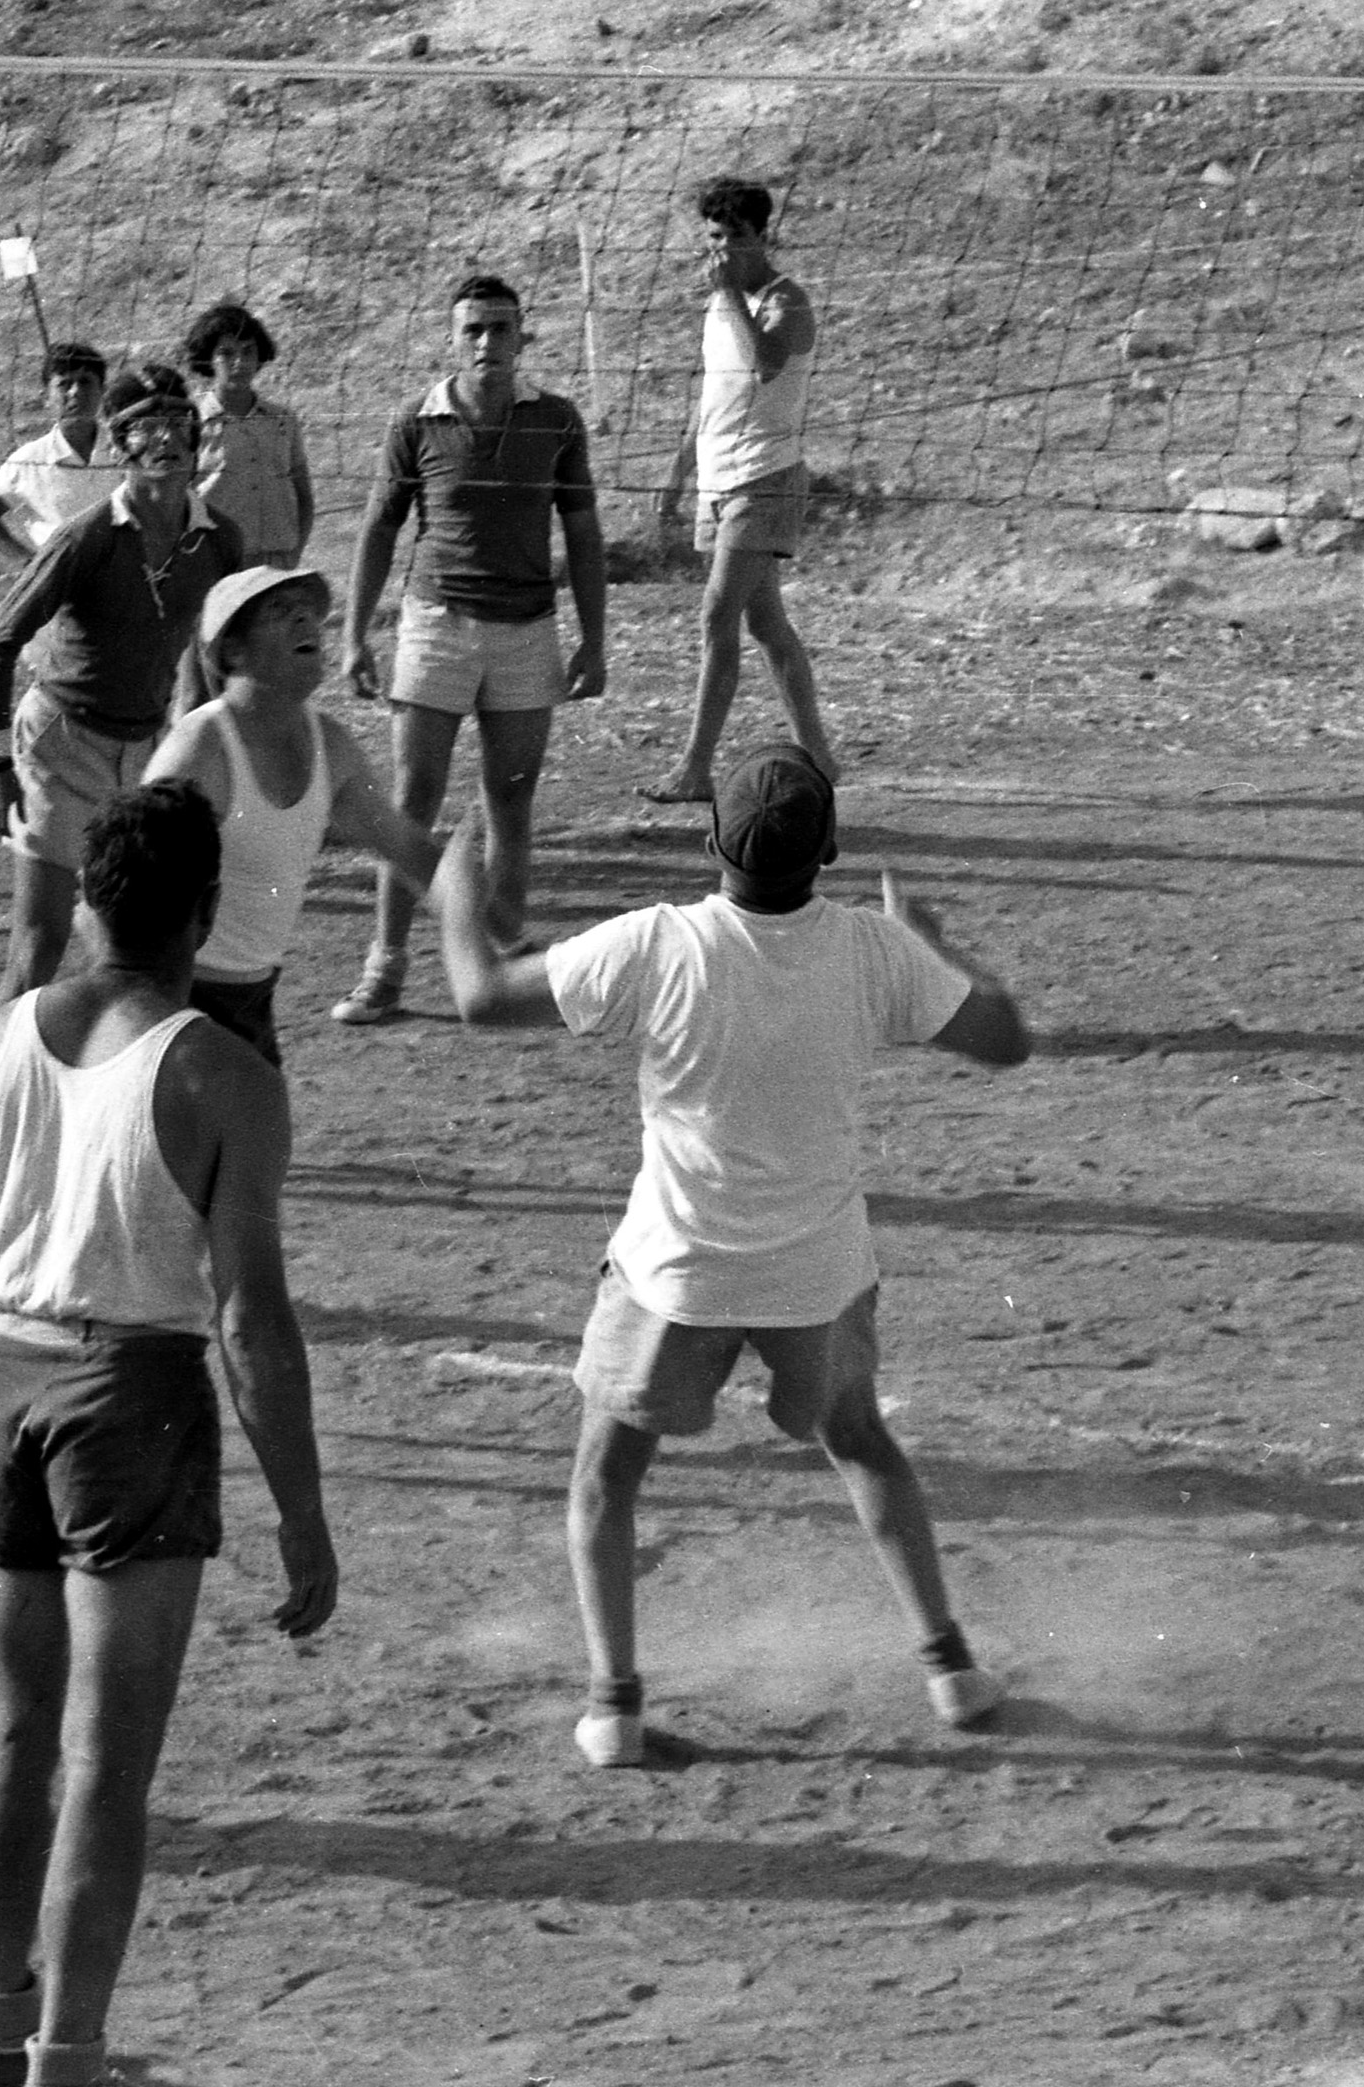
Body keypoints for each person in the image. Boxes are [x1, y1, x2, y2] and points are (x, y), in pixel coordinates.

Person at [0, 782, 332, 2087]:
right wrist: (300, 1509)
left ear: (86, 899)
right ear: (200, 913)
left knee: (11, 1737)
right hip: (135, 1400)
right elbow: (251, 1321)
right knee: (107, 1768)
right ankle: (70, 2058)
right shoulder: (222, 1077)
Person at [432, 746, 1028, 1768]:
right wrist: (937, 945)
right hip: (816, 1272)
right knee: (859, 1440)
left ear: (708, 842)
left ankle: (611, 1703)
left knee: (605, 1473)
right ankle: (949, 1666)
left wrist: (451, 889)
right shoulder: (871, 950)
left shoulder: (656, 943)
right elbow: (1005, 1037)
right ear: (828, 850)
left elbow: (481, 994)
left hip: (676, 1271)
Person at [329, 274, 609, 1028]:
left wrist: (595, 639)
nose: (487, 343)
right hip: (436, 624)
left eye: (500, 329)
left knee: (510, 798)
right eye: (473, 331)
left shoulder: (556, 420)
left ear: (524, 337)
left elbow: (582, 535)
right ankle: (383, 969)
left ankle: (506, 949)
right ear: (452, 341)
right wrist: (355, 633)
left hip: (526, 629)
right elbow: (380, 531)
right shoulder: (417, 421)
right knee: (411, 801)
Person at [0, 382, 234, 995]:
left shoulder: (219, 539)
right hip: (62, 740)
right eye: (148, 427)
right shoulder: (87, 535)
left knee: (133, 942)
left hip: (145, 749)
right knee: (41, 941)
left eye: (180, 422)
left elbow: (228, 646)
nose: (167, 437)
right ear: (120, 445)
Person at [136, 568, 437, 1057]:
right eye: (278, 610)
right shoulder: (201, 751)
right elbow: (127, 892)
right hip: (173, 1002)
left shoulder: (330, 745)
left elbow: (408, 848)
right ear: (232, 652)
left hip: (251, 998)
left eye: (307, 609)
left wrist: (491, 925)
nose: (305, 619)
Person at [649, 178, 832, 806]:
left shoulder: (788, 302)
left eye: (733, 237)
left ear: (762, 237)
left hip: (766, 478)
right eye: (713, 238)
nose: (721, 249)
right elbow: (714, 394)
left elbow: (766, 366)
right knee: (766, 624)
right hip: (719, 479)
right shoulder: (719, 303)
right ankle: (821, 755)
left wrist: (729, 293)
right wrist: (679, 471)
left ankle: (694, 768)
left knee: (715, 618)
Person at [181, 303, 314, 575]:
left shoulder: (282, 420)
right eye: (226, 353)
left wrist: (294, 552)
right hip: (214, 563)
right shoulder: (191, 422)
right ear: (208, 359)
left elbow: (304, 496)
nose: (239, 362)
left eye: (248, 351)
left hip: (276, 562)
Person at [0, 340, 122, 573]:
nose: (75, 392)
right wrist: (30, 565)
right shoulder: (29, 460)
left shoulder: (122, 450)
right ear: (46, 396)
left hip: (121, 582)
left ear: (102, 390)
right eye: (64, 384)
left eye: (85, 382)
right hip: (62, 587)